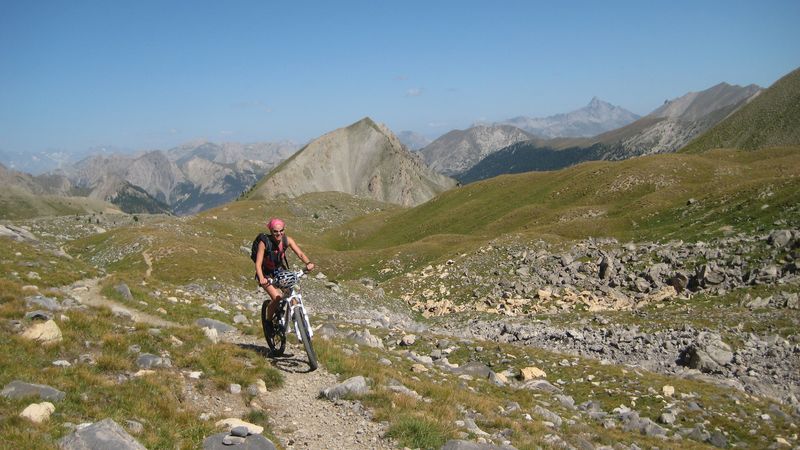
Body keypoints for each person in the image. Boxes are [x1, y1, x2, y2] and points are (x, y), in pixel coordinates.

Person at [255, 218, 315, 324]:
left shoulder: (287, 240)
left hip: (280, 271)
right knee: (277, 298)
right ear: (270, 231)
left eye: (281, 230)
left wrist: (308, 263)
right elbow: (258, 264)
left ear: (284, 229)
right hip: (266, 274)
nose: (279, 233)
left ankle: (299, 323)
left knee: (292, 294)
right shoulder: (264, 243)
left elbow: (300, 254)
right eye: (275, 231)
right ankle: (268, 321)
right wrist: (261, 278)